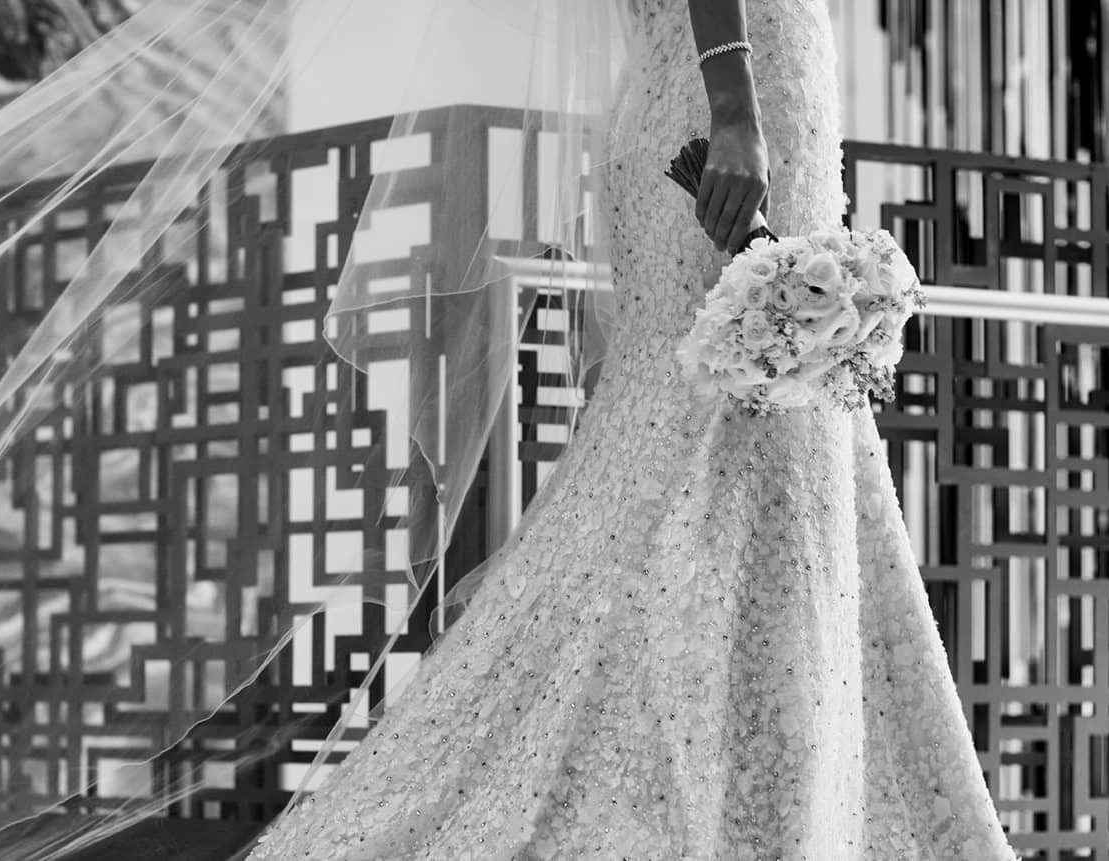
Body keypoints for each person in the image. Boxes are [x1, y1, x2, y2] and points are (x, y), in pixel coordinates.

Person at [241, 0, 1016, 857]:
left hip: (712, 84)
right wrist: (734, 112)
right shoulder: (736, 102)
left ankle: (765, 798)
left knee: (743, 424)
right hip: (739, 91)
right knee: (733, 417)